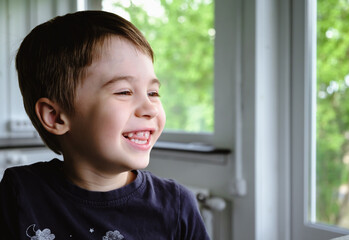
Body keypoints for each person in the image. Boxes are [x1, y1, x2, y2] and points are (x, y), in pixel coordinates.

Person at [0, 10, 210, 240]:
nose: (150, 108)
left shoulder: (176, 205)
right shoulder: (19, 193)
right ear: (56, 117)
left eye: (153, 92)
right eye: (124, 91)